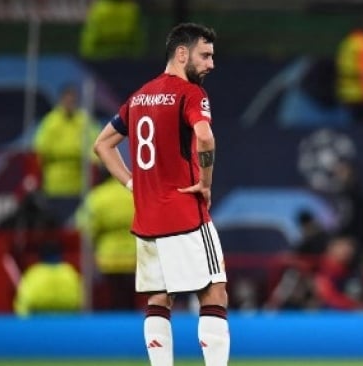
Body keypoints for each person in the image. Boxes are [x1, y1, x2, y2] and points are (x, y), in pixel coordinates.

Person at [93, 23, 228, 366]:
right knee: (214, 291)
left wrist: (130, 184)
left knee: (159, 298)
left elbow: (102, 144)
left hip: (148, 218)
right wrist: (207, 182)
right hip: (185, 211)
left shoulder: (139, 97)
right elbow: (206, 136)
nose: (211, 64)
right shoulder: (190, 93)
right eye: (205, 55)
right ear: (182, 54)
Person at [74, 170, 136, 310]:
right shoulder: (134, 193)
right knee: (130, 299)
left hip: (108, 259)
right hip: (134, 257)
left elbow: (84, 226)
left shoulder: (97, 197)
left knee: (113, 298)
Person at [33, 84, 101, 198]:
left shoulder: (84, 120)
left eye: (73, 100)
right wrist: (73, 151)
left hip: (80, 186)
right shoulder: (50, 121)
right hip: (55, 186)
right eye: (67, 100)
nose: (70, 103)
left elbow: (97, 145)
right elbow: (40, 150)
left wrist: (92, 159)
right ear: (61, 100)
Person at [13, 240, 83, 317]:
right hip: (67, 322)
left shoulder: (34, 274)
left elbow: (22, 304)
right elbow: (81, 302)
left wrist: (26, 326)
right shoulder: (70, 272)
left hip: (38, 324)